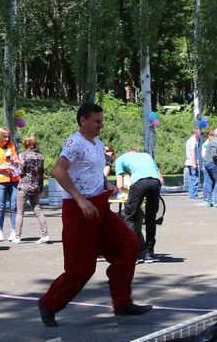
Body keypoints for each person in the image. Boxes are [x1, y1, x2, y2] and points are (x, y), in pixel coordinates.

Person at [37, 102, 150, 326]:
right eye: (97, 121)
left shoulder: (97, 144)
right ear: (83, 121)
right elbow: (58, 171)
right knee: (81, 269)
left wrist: (107, 184)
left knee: (129, 244)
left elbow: (92, 171)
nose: (101, 124)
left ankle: (122, 303)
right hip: (80, 210)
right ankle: (49, 303)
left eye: (102, 120)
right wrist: (80, 199)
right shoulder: (74, 142)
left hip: (100, 205)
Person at [114, 146, 164, 260]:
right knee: (151, 219)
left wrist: (130, 193)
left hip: (139, 183)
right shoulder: (147, 156)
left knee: (130, 218)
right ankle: (149, 252)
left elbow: (119, 185)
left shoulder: (121, 159)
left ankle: (134, 252)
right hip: (155, 183)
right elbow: (161, 180)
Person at [15, 135, 51, 243]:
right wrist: (41, 189)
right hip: (35, 187)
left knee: (20, 212)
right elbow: (40, 174)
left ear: (26, 144)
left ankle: (17, 236)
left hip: (23, 186)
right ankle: (45, 234)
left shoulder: (23, 156)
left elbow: (21, 172)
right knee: (38, 210)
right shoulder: (40, 156)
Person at [0, 127, 20, 242]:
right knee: (1, 206)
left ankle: (13, 231)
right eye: (5, 137)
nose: (7, 139)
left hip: (14, 180)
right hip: (1, 180)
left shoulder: (12, 147)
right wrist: (6, 166)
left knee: (14, 206)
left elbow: (18, 162)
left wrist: (14, 161)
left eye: (8, 137)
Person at [201, 128, 217, 207]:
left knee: (209, 182)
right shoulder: (215, 142)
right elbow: (214, 155)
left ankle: (209, 201)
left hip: (207, 163)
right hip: (212, 163)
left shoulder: (211, 141)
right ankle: (216, 201)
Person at [184, 126, 202, 201]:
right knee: (195, 179)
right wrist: (194, 163)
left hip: (189, 161)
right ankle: (194, 194)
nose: (200, 134)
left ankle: (192, 194)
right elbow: (192, 151)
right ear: (196, 133)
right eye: (199, 132)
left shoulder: (189, 140)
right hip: (192, 162)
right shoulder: (193, 141)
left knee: (192, 178)